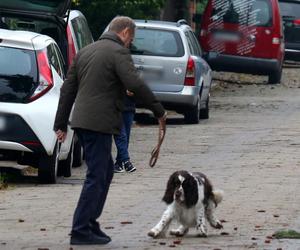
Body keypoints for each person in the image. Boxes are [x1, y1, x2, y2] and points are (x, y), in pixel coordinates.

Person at [53, 16, 166, 246]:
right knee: (97, 175)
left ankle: (90, 224)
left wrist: (60, 123)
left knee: (105, 171)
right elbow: (134, 83)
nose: (129, 44)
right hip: (99, 123)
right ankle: (81, 229)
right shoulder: (118, 52)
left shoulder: (85, 51)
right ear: (124, 32)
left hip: (83, 122)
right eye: (130, 39)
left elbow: (68, 90)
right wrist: (158, 111)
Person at [113, 94, 136, 173]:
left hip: (129, 105)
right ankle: (126, 162)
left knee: (126, 136)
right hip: (114, 106)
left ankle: (119, 163)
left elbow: (139, 86)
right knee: (121, 134)